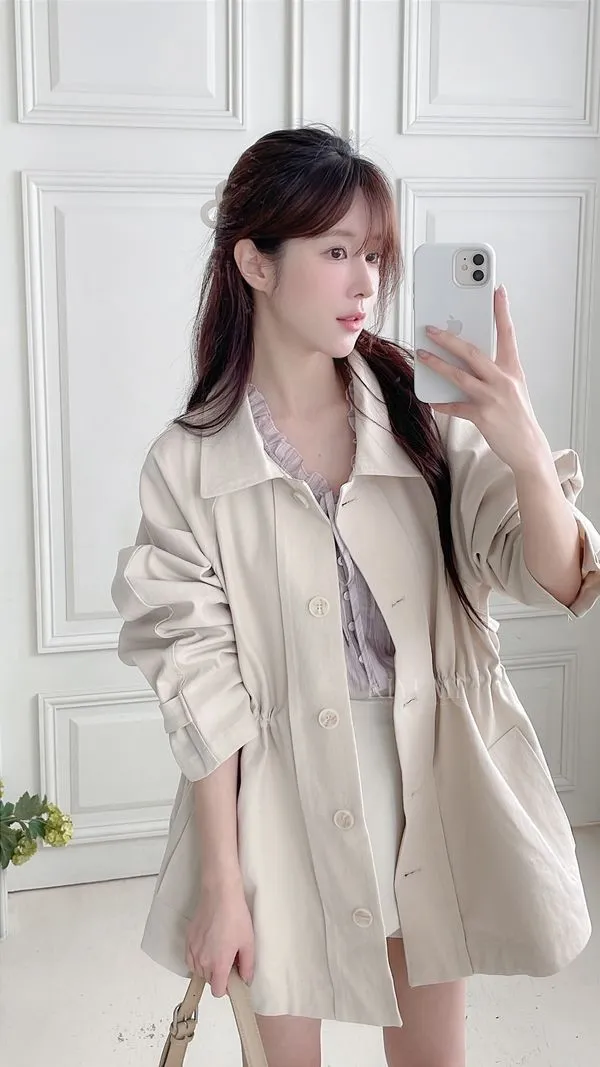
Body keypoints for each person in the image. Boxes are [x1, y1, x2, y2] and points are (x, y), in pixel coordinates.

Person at [111, 126, 600, 1067]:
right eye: (336, 252)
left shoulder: (422, 414)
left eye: (374, 255)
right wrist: (222, 883)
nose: (366, 282)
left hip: (429, 783)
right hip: (276, 804)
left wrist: (527, 448)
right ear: (255, 262)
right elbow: (203, 689)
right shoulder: (188, 463)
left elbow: (556, 574)